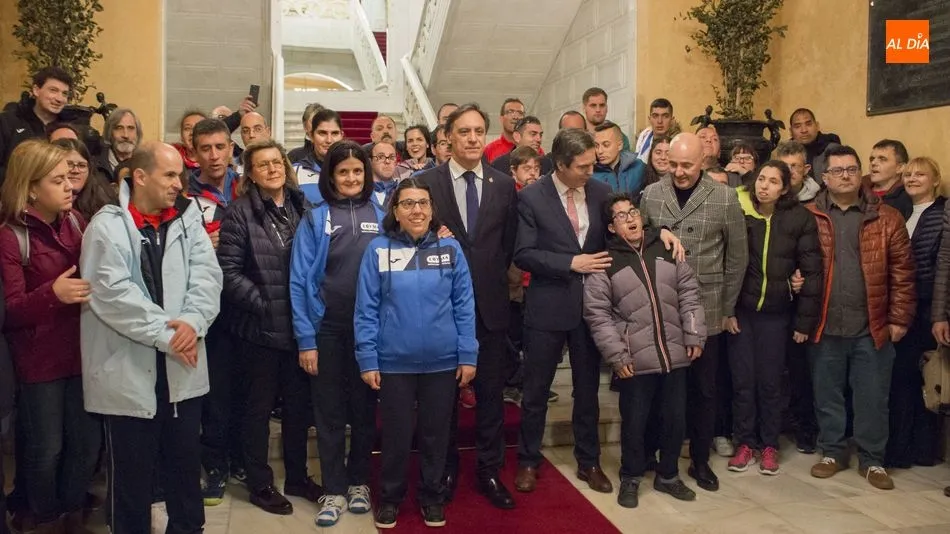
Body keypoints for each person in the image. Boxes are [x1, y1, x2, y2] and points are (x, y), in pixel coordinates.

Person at [79, 141, 222, 534]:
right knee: (132, 481)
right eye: (170, 175)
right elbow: (112, 295)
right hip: (129, 369)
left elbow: (208, 278)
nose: (180, 183)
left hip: (182, 369)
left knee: (184, 469)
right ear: (140, 176)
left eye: (181, 174)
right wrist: (171, 335)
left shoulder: (188, 220)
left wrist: (192, 322)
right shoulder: (107, 225)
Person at [355, 178, 477, 529]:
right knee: (395, 436)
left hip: (443, 362)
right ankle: (390, 497)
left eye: (423, 202)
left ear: (432, 208)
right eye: (407, 203)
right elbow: (366, 309)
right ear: (395, 210)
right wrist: (368, 358)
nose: (417, 210)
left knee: (436, 435)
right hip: (394, 362)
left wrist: (468, 353)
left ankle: (432, 495)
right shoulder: (377, 250)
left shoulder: (451, 251)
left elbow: (464, 305)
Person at [417, 103, 519, 510]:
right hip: (441, 311)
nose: (474, 138)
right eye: (465, 132)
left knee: (491, 398)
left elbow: (506, 244)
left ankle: (489, 471)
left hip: (490, 311)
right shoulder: (426, 183)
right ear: (449, 138)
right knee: (441, 401)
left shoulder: (502, 184)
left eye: (480, 131)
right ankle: (444, 470)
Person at [216, 139, 322, 514]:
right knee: (256, 411)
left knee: (297, 409)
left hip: (298, 328)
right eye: (263, 165)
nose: (273, 169)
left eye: (277, 162)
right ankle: (260, 483)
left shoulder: (304, 206)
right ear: (251, 174)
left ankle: (297, 476)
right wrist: (264, 303)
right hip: (258, 331)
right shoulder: (238, 213)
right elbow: (227, 273)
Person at [0, 139, 100, 534]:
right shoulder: (11, 236)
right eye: (57, 180)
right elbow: (9, 310)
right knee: (46, 449)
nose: (69, 187)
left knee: (86, 446)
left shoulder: (76, 222)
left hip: (83, 352)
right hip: (38, 360)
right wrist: (52, 295)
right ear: (30, 187)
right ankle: (45, 519)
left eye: (69, 178)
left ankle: (71, 513)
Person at [639, 132, 748, 493]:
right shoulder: (652, 194)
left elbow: (737, 259)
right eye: (674, 164)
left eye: (687, 165)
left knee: (704, 391)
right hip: (662, 308)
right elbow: (638, 243)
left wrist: (727, 307)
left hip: (708, 307)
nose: (680, 172)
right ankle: (653, 453)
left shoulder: (725, 197)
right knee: (661, 388)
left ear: (703, 162)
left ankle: (700, 460)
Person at [513, 128, 619, 495]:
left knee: (587, 390)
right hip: (548, 306)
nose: (592, 172)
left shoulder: (602, 192)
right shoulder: (531, 197)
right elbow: (524, 253)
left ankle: (588, 461)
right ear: (560, 165)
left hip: (591, 309)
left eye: (594, 164)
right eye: (583, 167)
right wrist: (571, 262)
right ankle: (528, 460)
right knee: (537, 390)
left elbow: (619, 238)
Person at [584, 192, 705, 508]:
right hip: (634, 360)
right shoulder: (606, 264)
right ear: (611, 227)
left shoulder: (665, 249)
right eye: (621, 216)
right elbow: (598, 315)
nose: (630, 218)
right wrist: (616, 356)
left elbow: (690, 295)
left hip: (675, 354)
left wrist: (694, 334)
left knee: (675, 420)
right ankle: (631, 477)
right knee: (635, 423)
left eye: (633, 212)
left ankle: (668, 476)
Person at [804, 145, 914, 491]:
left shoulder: (887, 218)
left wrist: (898, 321)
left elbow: (903, 274)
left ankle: (872, 459)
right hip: (824, 325)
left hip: (873, 327)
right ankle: (832, 451)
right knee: (828, 394)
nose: (846, 176)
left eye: (852, 169)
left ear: (860, 173)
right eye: (837, 171)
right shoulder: (809, 216)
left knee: (872, 396)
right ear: (824, 178)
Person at [290, 140, 384, 527]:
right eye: (342, 172)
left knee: (364, 410)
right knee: (328, 413)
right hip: (326, 329)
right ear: (330, 176)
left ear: (366, 174)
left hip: (370, 333)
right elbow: (298, 281)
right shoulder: (315, 217)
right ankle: (333, 486)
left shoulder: (382, 213)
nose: (350, 178)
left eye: (357, 171)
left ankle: (358, 481)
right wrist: (306, 339)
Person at [726, 161, 823, 475]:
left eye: (772, 181)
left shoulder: (799, 219)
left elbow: (811, 273)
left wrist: (803, 324)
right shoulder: (742, 215)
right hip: (742, 312)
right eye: (761, 179)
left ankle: (769, 444)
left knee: (770, 383)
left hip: (777, 315)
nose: (763, 186)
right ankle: (744, 442)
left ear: (785, 188)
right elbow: (729, 262)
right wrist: (726, 310)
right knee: (742, 382)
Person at [886, 157, 944, 468]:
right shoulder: (904, 213)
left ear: (936, 180)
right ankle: (903, 448)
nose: (912, 179)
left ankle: (920, 450)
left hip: (924, 310)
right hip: (905, 305)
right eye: (908, 174)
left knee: (923, 380)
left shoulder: (941, 213)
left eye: (920, 174)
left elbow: (931, 266)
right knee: (904, 381)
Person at [0, 67, 72, 180]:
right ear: (36, 90)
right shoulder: (7, 122)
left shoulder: (68, 128)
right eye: (53, 90)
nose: (60, 99)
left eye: (64, 94)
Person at [52, 138, 117, 222]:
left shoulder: (104, 202)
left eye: (81, 165)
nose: (76, 171)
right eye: (69, 164)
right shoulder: (48, 205)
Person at [293, 108, 344, 203]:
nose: (329, 140)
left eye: (335, 133)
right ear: (311, 136)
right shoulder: (295, 172)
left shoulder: (354, 171)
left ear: (342, 135)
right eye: (322, 133)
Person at [592, 121, 646, 196]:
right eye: (597, 146)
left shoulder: (639, 167)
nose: (600, 151)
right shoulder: (590, 174)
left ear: (620, 145)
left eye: (606, 145)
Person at [865, 139, 912, 220]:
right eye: (872, 159)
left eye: (882, 159)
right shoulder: (857, 190)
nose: (873, 163)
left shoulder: (905, 199)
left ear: (900, 168)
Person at [789, 108, 841, 177]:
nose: (804, 130)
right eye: (797, 126)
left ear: (817, 126)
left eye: (808, 124)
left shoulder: (833, 149)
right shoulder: (783, 153)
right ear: (790, 131)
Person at [98, 108, 142, 182]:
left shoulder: (146, 165)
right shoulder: (95, 166)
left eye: (130, 128)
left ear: (137, 133)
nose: (125, 135)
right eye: (119, 128)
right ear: (110, 133)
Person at [484, 98, 525, 162]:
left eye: (520, 113)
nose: (515, 117)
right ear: (501, 118)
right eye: (510, 112)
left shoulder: (534, 149)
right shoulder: (489, 151)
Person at [633, 98, 674, 162]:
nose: (660, 121)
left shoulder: (678, 145)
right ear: (649, 119)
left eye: (665, 116)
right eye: (655, 116)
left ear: (672, 120)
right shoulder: (642, 139)